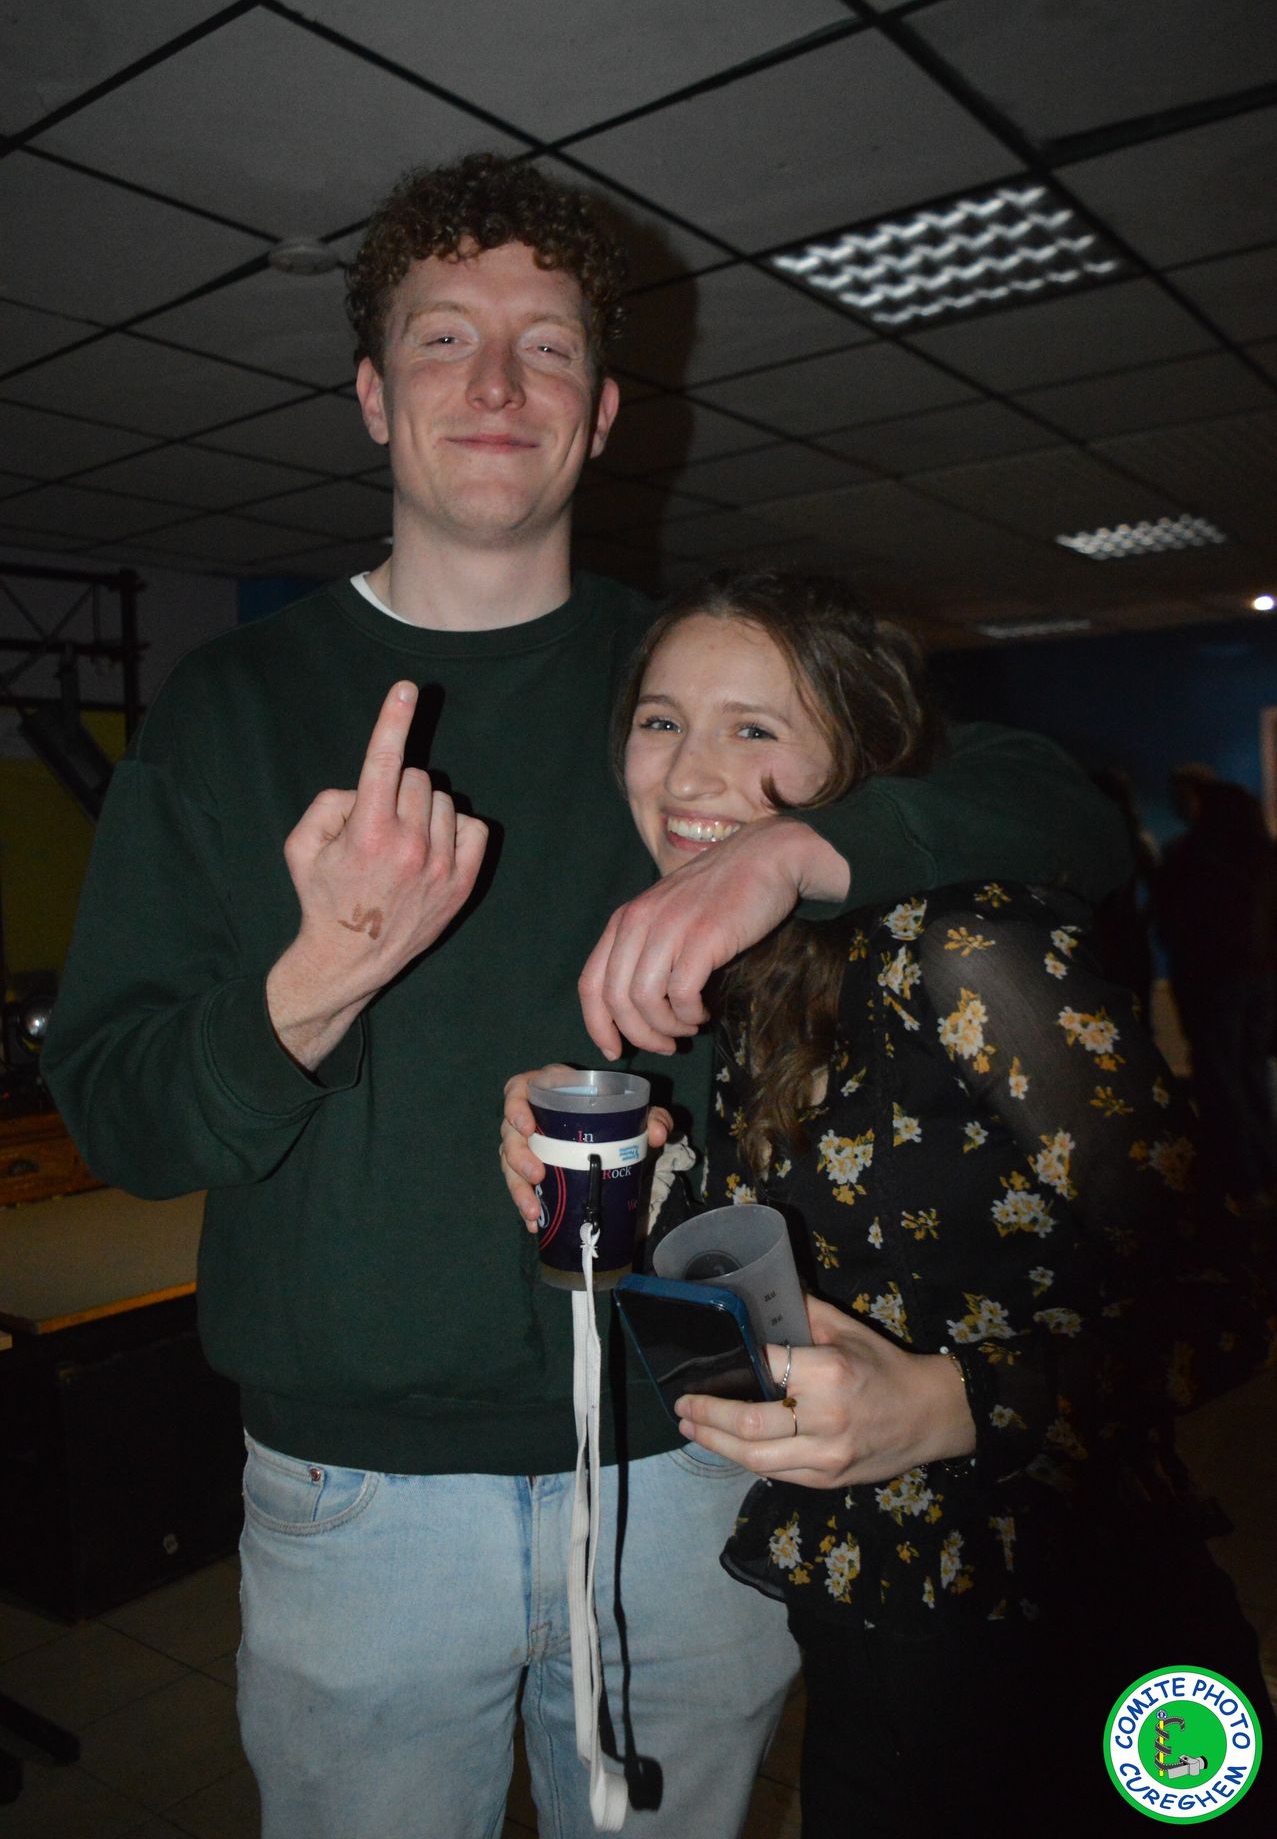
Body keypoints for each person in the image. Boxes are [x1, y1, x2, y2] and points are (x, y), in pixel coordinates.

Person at [44, 155, 1133, 1839]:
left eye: (545, 346)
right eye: (442, 338)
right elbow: (121, 1120)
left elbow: (1060, 810)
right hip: (357, 1498)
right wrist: (320, 976)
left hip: (686, 1461)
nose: (496, 384)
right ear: (371, 396)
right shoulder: (228, 704)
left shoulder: (689, 684)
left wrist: (790, 852)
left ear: (604, 410)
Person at [504, 569, 1277, 1837]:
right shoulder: (750, 982)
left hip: (1087, 1626)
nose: (690, 772)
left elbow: (1226, 1299)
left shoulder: (968, 944)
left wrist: (947, 1404)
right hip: (871, 1640)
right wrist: (616, 1186)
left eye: (755, 727)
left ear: (856, 761)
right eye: (660, 721)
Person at [1155, 777, 1277, 1215]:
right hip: (1262, 977)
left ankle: (1242, 1181)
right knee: (1252, 1072)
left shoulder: (1191, 855)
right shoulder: (1264, 854)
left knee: (1221, 1077)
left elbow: (1171, 920)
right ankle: (1265, 1170)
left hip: (1211, 980)